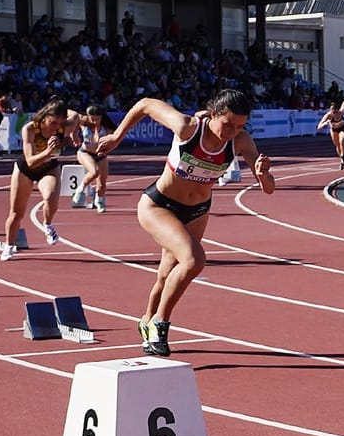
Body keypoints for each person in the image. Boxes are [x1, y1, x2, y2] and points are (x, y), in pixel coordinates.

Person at [97, 89, 274, 357]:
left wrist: (262, 175)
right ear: (213, 114)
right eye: (228, 125)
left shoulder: (241, 141)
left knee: (167, 275)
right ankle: (160, 324)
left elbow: (269, 189)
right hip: (159, 205)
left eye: (240, 126)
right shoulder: (188, 128)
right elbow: (145, 104)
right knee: (194, 260)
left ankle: (146, 320)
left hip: (198, 211)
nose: (232, 132)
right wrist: (117, 136)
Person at [0, 100, 76, 261]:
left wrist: (61, 107)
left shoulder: (62, 127)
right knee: (16, 214)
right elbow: (30, 161)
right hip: (25, 169)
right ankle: (8, 246)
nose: (55, 127)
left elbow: (75, 116)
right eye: (53, 122)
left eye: (59, 123)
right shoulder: (30, 129)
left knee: (50, 198)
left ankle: (47, 224)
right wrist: (48, 151)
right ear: (44, 117)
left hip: (48, 168)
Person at [75, 104, 112, 211]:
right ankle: (80, 190)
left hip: (101, 155)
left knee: (102, 185)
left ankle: (99, 201)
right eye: (92, 118)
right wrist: (74, 134)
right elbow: (72, 117)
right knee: (94, 171)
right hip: (85, 152)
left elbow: (116, 140)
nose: (94, 121)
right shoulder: (84, 122)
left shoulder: (106, 127)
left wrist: (107, 150)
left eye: (97, 119)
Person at [317, 99, 344, 170]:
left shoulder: (341, 112)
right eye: (332, 112)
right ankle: (342, 160)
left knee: (342, 140)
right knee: (337, 144)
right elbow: (319, 127)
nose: (334, 113)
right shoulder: (328, 115)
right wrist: (325, 123)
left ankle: (343, 156)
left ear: (337, 110)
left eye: (335, 112)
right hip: (334, 130)